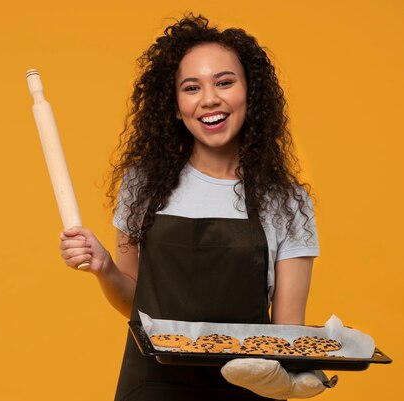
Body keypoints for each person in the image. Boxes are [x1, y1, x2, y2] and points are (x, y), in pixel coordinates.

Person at [59, 14, 334, 400]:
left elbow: (286, 334)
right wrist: (104, 268)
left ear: (250, 93)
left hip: (246, 390)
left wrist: (299, 378)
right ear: (174, 106)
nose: (209, 99)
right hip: (151, 386)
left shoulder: (287, 202)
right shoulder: (143, 185)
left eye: (225, 82)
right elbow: (135, 306)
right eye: (192, 87)